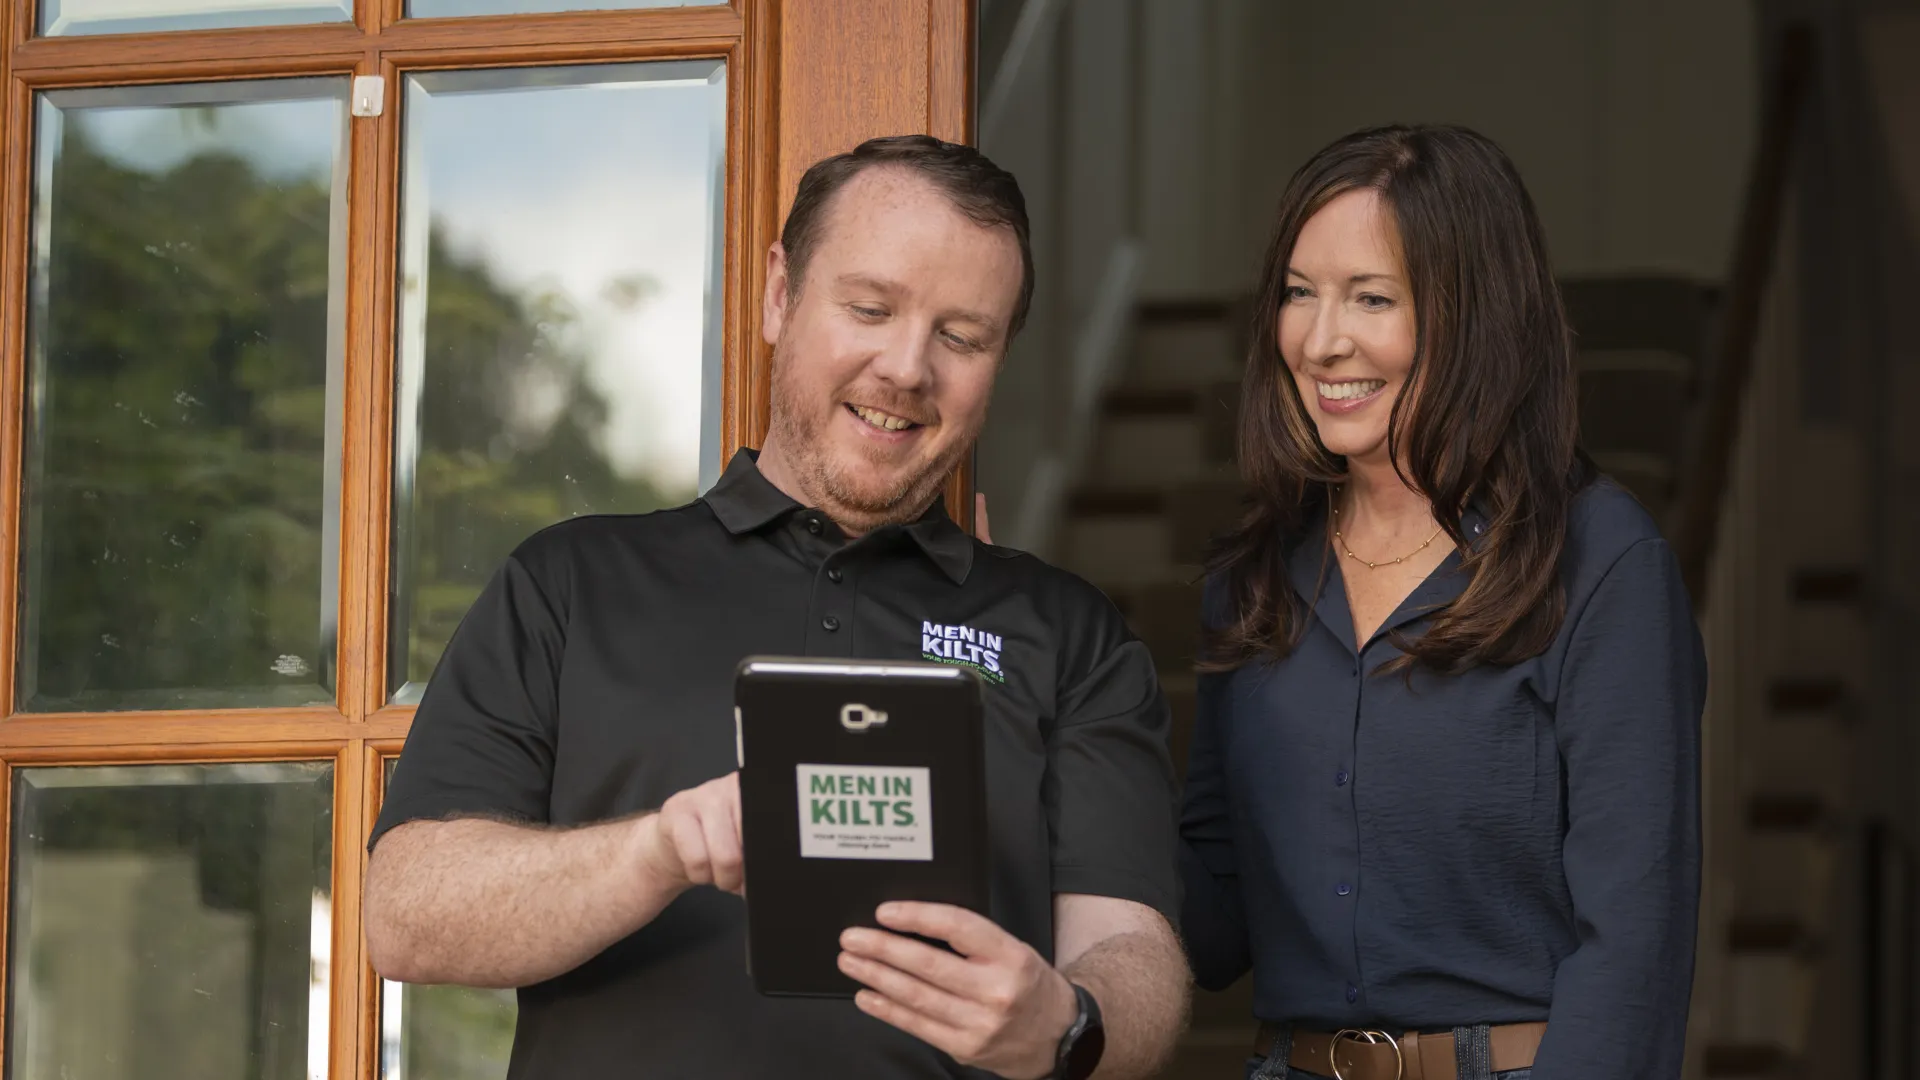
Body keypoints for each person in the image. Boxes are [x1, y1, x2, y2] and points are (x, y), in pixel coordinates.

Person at [363, 135, 1189, 1079]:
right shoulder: (573, 582)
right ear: (779, 294)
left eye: (962, 337)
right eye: (870, 308)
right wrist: (656, 851)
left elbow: (1137, 955)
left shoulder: (1071, 634)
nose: (908, 368)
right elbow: (407, 916)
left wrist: (1067, 1023)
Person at [1179, 125, 1706, 1080]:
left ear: (1474, 317)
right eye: (1299, 293)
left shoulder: (1600, 562)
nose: (1321, 339)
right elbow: (1211, 923)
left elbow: (1634, 942)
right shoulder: (1252, 575)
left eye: (1372, 298)